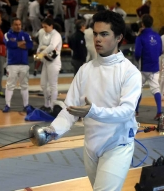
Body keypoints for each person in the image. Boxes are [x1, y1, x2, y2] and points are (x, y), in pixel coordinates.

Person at [38, 10, 141, 190]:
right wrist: (52, 130)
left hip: (118, 144)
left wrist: (92, 111)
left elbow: (126, 112)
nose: (98, 39)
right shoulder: (85, 70)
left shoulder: (129, 72)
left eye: (104, 34)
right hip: (91, 145)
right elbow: (69, 109)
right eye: (95, 34)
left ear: (119, 38)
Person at [134, 14, 163, 120]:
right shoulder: (157, 36)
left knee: (137, 89)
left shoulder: (140, 37)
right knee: (156, 89)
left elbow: (137, 53)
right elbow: (160, 51)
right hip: (155, 67)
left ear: (142, 24)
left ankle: (136, 111)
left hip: (143, 67)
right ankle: (159, 112)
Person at [2, 18, 33, 112]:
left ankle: (26, 105)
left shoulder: (25, 35)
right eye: (16, 24)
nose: (18, 26)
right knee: (10, 85)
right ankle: (7, 105)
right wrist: (20, 44)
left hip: (24, 64)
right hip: (12, 64)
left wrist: (16, 44)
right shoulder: (7, 34)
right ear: (12, 25)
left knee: (24, 85)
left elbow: (30, 45)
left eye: (19, 24)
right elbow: (8, 44)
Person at [36, 18, 62, 112]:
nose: (44, 29)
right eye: (43, 27)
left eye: (46, 27)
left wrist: (41, 54)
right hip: (46, 62)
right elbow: (40, 45)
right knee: (43, 85)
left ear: (51, 26)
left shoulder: (56, 35)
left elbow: (52, 46)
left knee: (53, 85)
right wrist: (38, 53)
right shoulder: (44, 33)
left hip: (54, 62)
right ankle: (47, 105)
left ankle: (52, 107)